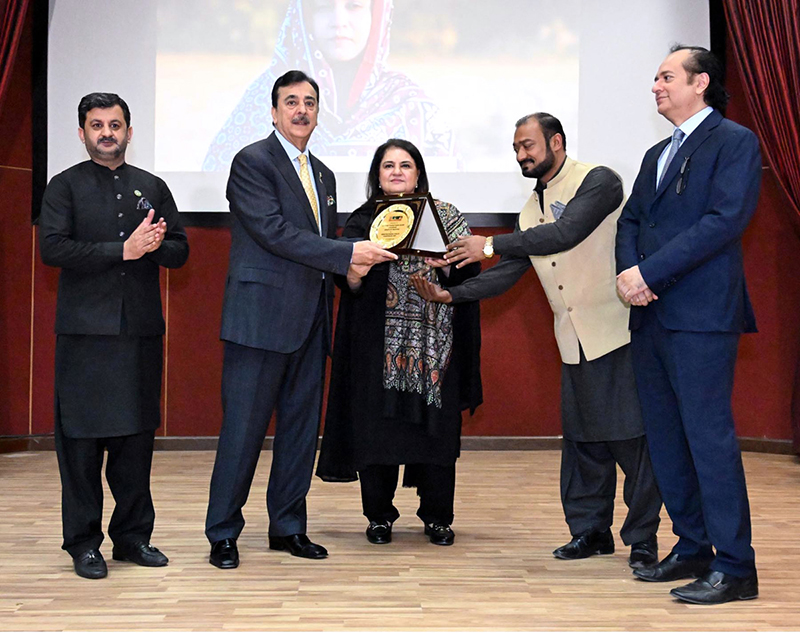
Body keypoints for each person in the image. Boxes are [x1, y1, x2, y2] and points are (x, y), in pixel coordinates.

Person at [412, 113, 662, 567]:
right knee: (582, 443)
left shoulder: (599, 181)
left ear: (557, 142)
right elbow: (508, 273)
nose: (521, 155)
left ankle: (642, 538)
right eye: (515, 148)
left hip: (617, 333)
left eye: (527, 145)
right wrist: (451, 295)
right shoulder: (530, 211)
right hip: (572, 342)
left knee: (633, 441)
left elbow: (566, 233)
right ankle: (590, 532)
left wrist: (490, 245)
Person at [205, 69, 396, 569]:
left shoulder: (324, 175)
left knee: (299, 432)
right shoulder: (252, 161)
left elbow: (319, 248)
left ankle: (288, 527)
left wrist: (348, 267)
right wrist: (347, 252)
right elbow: (272, 232)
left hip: (311, 322)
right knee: (243, 432)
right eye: (291, 101)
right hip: (258, 322)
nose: (301, 110)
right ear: (273, 112)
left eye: (310, 102)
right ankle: (222, 532)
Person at [615, 45, 761, 604]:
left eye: (667, 76)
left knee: (708, 439)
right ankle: (694, 545)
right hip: (650, 314)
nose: (656, 85)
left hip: (701, 315)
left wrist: (649, 274)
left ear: (700, 83)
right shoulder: (656, 152)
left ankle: (736, 566)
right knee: (667, 438)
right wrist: (630, 276)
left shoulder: (734, 141)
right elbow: (631, 220)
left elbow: (724, 222)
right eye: (655, 77)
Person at [39, 92, 189, 579]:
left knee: (135, 444)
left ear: (129, 131)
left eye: (115, 124)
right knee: (81, 448)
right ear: (82, 133)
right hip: (84, 337)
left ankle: (132, 538)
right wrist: (122, 250)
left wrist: (155, 245)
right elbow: (53, 249)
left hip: (138, 334)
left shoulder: (153, 186)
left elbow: (180, 251)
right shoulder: (63, 186)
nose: (107, 133)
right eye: (97, 125)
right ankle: (84, 544)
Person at [316, 139, 482, 546]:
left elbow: (470, 275)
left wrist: (448, 268)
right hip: (377, 348)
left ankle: (438, 517)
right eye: (388, 165)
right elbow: (347, 283)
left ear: (418, 173)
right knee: (377, 431)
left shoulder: (446, 216)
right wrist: (356, 270)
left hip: (434, 347)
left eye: (405, 165)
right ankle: (379, 517)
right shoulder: (362, 220)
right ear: (377, 175)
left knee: (437, 433)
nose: (396, 172)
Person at [202, 0, 455, 170]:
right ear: (304, 16)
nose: (339, 21)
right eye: (323, 7)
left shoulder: (414, 107)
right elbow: (218, 181)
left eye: (354, 6)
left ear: (377, 15)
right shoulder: (262, 98)